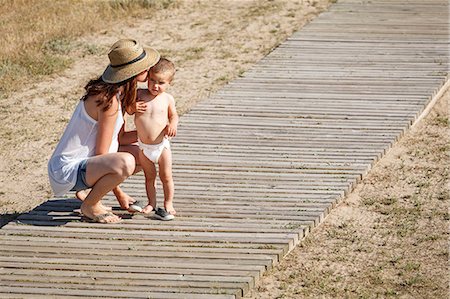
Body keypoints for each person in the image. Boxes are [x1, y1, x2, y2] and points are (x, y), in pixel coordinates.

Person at [48, 39, 160, 223]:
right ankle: (90, 205)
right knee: (126, 162)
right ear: (134, 72)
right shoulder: (108, 101)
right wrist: (119, 194)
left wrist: (153, 135)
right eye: (145, 67)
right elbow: (103, 153)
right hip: (67, 170)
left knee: (144, 154)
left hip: (85, 165)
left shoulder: (119, 95)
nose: (149, 71)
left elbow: (121, 138)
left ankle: (90, 195)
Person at [128, 58, 178, 221]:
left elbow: (173, 115)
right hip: (144, 147)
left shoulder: (167, 99)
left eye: (161, 83)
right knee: (149, 177)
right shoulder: (140, 94)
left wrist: (172, 124)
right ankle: (151, 202)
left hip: (161, 146)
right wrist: (133, 107)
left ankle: (168, 203)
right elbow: (128, 110)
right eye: (152, 80)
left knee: (166, 176)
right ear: (147, 78)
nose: (155, 86)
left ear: (169, 83)